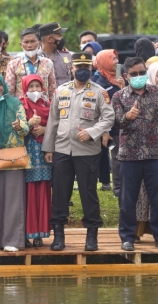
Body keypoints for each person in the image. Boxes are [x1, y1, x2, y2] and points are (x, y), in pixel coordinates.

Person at [42, 52, 115, 252]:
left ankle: (92, 237)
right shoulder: (61, 90)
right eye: (78, 67)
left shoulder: (100, 92)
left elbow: (108, 118)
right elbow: (53, 121)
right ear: (71, 69)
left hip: (87, 151)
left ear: (91, 69)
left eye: (86, 68)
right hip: (62, 149)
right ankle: (58, 236)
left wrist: (92, 133)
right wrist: (48, 148)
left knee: (88, 193)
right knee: (60, 193)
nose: (82, 71)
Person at [112, 57, 158, 251]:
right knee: (127, 199)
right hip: (129, 155)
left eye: (141, 73)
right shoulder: (119, 97)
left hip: (154, 154)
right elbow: (116, 123)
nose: (138, 76)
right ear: (126, 75)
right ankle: (127, 237)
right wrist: (127, 117)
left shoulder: (156, 93)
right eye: (134, 74)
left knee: (157, 199)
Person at [0, 73, 30, 252]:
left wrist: (20, 127)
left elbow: (26, 129)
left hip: (12, 156)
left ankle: (13, 240)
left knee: (13, 199)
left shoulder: (15, 103)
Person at [19, 75, 52, 247]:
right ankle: (24, 232)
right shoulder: (20, 104)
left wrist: (45, 129)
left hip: (44, 153)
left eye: (37, 87)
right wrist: (29, 123)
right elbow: (15, 126)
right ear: (24, 88)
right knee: (25, 194)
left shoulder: (48, 105)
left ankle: (39, 233)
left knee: (42, 192)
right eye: (30, 87)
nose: (34, 90)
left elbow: (56, 125)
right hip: (26, 155)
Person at [92, 49, 123, 195]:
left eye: (116, 59)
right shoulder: (100, 84)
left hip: (127, 123)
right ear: (104, 62)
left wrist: (124, 86)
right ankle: (118, 188)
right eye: (113, 59)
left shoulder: (119, 76)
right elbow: (99, 109)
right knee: (116, 157)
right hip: (113, 128)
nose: (117, 62)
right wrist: (104, 131)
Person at [5, 28, 56, 101]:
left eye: (32, 41)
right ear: (21, 44)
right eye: (26, 42)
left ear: (39, 43)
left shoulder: (48, 63)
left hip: (43, 107)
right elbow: (9, 91)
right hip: (22, 108)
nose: (29, 45)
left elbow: (52, 89)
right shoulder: (13, 64)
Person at [38, 22, 72, 87]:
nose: (61, 39)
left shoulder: (66, 56)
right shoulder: (35, 58)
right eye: (59, 36)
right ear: (50, 39)